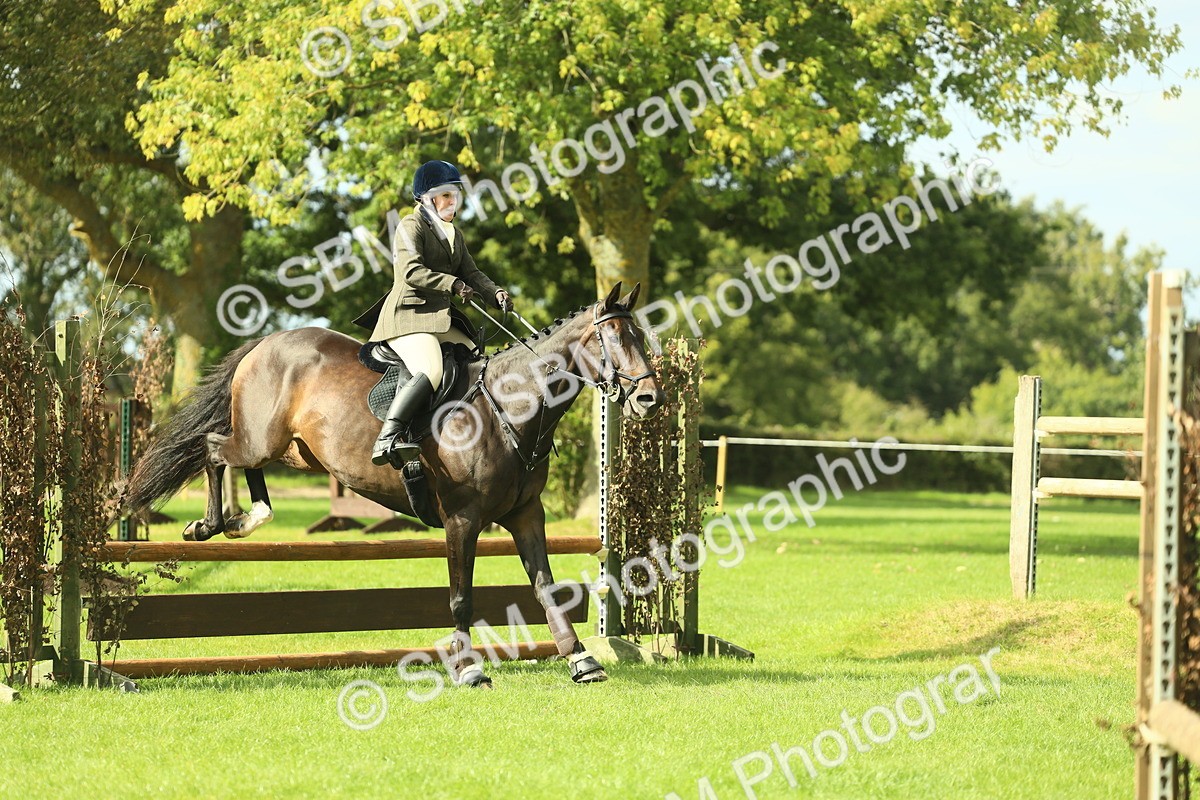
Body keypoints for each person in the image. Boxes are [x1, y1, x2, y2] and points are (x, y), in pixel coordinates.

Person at [352, 160, 513, 466]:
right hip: (407, 317)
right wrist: (452, 284)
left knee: (478, 362)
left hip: (438, 318)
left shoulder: (454, 234)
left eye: (455, 195)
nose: (453, 201)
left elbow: (472, 273)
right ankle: (388, 438)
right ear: (426, 198)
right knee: (431, 368)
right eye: (446, 195)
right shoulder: (410, 226)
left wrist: (496, 293)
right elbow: (411, 271)